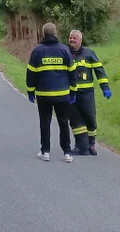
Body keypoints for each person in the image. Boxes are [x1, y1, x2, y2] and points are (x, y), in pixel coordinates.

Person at [25, 22, 78, 162]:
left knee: (45, 122)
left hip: (44, 95)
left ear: (43, 34)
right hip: (62, 95)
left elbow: (31, 73)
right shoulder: (65, 50)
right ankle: (67, 153)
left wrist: (31, 91)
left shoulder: (37, 51)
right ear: (55, 34)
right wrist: (73, 92)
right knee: (63, 122)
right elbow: (72, 73)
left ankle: (45, 151)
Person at [67, 28, 111, 156]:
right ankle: (80, 146)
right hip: (71, 94)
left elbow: (99, 71)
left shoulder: (89, 53)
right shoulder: (65, 53)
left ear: (80, 40)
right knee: (75, 121)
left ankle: (91, 145)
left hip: (86, 94)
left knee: (90, 119)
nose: (72, 40)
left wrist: (105, 87)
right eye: (70, 38)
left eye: (74, 38)